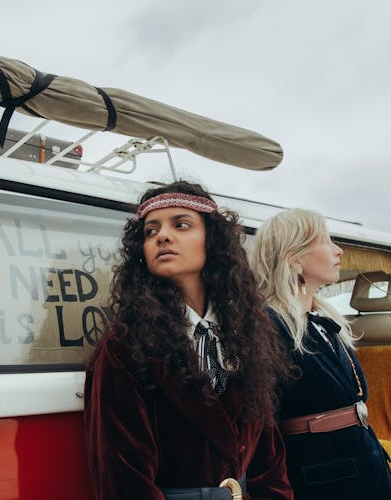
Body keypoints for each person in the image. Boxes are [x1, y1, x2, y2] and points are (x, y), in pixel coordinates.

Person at [84, 180, 293, 500]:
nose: (162, 236)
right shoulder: (126, 346)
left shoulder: (246, 336)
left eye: (181, 224)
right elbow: (124, 478)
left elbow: (270, 461)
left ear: (214, 240)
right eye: (150, 231)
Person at [251, 208, 391, 500]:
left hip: (364, 465)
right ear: (294, 258)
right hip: (324, 480)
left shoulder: (323, 322)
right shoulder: (267, 325)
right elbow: (261, 429)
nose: (338, 250)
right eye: (326, 241)